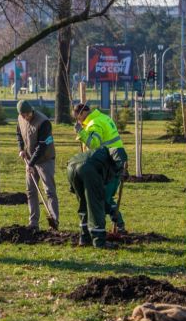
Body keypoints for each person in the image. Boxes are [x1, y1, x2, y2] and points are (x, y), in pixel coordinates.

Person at [73, 103, 127, 234]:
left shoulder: (94, 123)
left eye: (78, 118)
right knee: (105, 196)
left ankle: (117, 226)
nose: (78, 121)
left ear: (82, 113)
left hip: (108, 162)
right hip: (116, 159)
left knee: (102, 198)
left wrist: (80, 132)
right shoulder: (103, 117)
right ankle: (119, 226)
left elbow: (94, 144)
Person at [16, 100, 58, 231]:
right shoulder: (20, 118)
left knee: (49, 191)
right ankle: (33, 223)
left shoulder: (43, 122)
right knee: (31, 192)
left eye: (27, 114)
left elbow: (42, 146)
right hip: (30, 160)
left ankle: (54, 222)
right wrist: (21, 148)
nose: (25, 117)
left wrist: (32, 163)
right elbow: (19, 134)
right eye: (23, 115)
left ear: (31, 111)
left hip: (45, 160)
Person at [66, 147, 119, 248]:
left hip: (71, 166)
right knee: (95, 206)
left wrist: (110, 209)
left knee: (84, 204)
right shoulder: (110, 164)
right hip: (87, 169)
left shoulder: (98, 154)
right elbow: (100, 198)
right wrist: (112, 209)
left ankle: (84, 238)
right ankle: (99, 241)